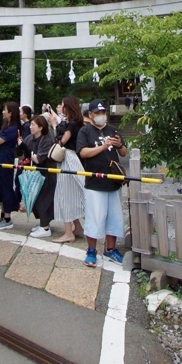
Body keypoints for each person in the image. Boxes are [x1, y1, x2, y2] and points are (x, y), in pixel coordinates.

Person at [76, 99, 128, 268]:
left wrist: (119, 145)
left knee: (114, 216)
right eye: (97, 113)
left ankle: (111, 248)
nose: (100, 115)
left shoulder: (112, 130)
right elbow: (83, 152)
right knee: (94, 216)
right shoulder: (85, 131)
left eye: (102, 112)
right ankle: (91, 250)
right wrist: (103, 147)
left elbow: (124, 152)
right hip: (94, 182)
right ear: (90, 114)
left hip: (113, 181)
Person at [52, 95, 85, 243]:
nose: (61, 107)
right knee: (72, 193)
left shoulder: (71, 125)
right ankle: (77, 226)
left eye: (63, 105)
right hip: (75, 159)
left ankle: (68, 232)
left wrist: (54, 126)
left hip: (68, 159)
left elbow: (61, 141)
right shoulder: (79, 123)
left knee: (64, 194)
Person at [21, 114, 57, 238]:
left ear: (41, 127)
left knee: (44, 200)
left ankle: (45, 227)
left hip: (46, 174)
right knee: (35, 199)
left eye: (33, 125)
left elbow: (38, 159)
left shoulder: (47, 139)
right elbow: (23, 153)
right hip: (34, 174)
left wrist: (29, 154)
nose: (30, 127)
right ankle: (42, 223)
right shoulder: (30, 138)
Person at [0, 101, 22, 230]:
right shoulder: (6, 127)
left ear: (11, 113)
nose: (3, 112)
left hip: (5, 162)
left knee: (5, 188)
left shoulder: (12, 129)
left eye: (5, 110)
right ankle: (3, 215)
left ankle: (7, 218)